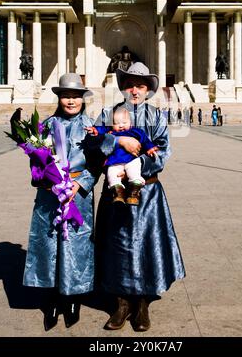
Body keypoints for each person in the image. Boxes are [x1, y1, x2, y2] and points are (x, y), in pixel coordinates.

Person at [93, 62, 185, 332]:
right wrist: (118, 142)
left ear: (148, 90)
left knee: (146, 245)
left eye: (141, 85)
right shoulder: (108, 113)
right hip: (116, 191)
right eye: (130, 84)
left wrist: (136, 167)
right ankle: (121, 302)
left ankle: (142, 302)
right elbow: (95, 145)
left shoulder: (156, 116)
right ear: (123, 87)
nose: (135, 90)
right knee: (118, 245)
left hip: (148, 192)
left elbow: (164, 151)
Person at [23, 73, 102, 331]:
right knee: (49, 244)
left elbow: (97, 163)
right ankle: (52, 298)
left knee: (75, 245)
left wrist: (79, 184)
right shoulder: (46, 125)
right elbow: (36, 163)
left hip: (77, 196)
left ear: (82, 99)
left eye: (75, 97)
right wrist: (45, 181)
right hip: (50, 196)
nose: (71, 101)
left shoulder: (91, 127)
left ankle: (72, 298)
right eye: (66, 96)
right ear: (59, 98)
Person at [84, 106, 158, 206]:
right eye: (116, 123)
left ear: (131, 123)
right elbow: (101, 130)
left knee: (134, 173)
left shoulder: (135, 131)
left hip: (132, 159)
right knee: (112, 175)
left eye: (124, 122)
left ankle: (134, 192)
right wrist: (95, 130)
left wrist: (150, 148)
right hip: (115, 161)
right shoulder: (111, 131)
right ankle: (118, 193)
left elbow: (145, 140)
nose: (121, 126)